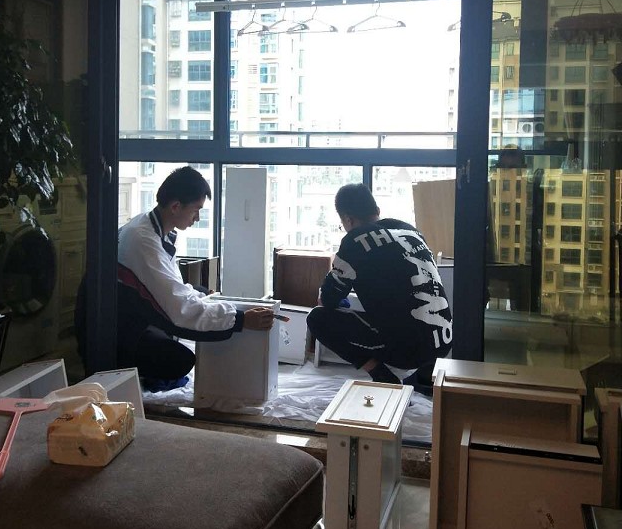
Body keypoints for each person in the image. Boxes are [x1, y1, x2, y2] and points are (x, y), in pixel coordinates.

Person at [116, 165, 273, 391]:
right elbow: (180, 310)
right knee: (179, 360)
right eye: (196, 210)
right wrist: (240, 320)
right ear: (175, 206)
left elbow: (173, 287)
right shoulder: (143, 241)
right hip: (116, 331)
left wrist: (205, 298)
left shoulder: (150, 225)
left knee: (199, 292)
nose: (197, 218)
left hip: (131, 313)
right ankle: (136, 373)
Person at [307, 183, 452, 394]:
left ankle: (382, 375)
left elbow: (327, 301)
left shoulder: (353, 241)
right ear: (377, 210)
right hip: (444, 342)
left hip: (407, 351)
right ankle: (424, 375)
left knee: (317, 319)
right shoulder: (409, 230)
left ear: (348, 219)